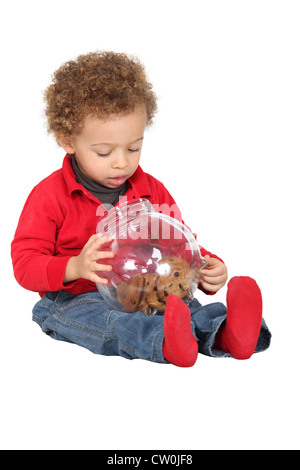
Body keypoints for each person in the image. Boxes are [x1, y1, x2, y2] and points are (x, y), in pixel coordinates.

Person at [11, 51, 271, 367]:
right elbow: (25, 265)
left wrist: (204, 264)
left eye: (134, 147)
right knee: (111, 324)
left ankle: (231, 334)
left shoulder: (151, 191)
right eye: (104, 152)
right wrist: (75, 268)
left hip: (147, 290)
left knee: (188, 308)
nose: (122, 161)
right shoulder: (49, 196)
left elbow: (178, 243)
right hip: (76, 298)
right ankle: (168, 344)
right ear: (68, 140)